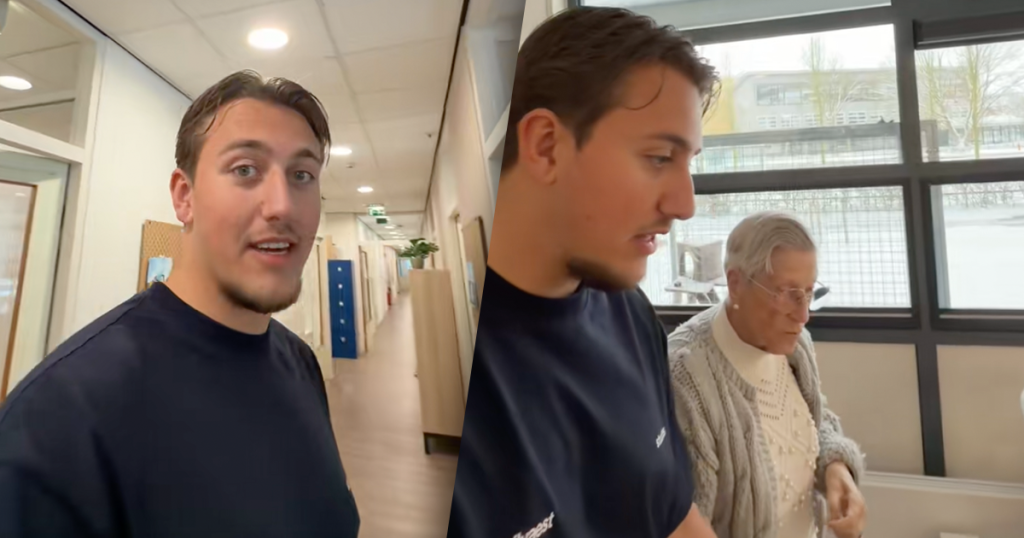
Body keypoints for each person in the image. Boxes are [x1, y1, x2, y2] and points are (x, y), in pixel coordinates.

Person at [0, 71, 360, 537]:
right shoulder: (59, 415)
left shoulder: (301, 363)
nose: (283, 206)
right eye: (245, 169)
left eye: (302, 175)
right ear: (184, 197)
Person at [448, 7, 720, 538]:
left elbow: (673, 515)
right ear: (546, 146)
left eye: (689, 162)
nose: (685, 204)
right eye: (659, 157)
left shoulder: (632, 315)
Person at [667, 211, 867, 538]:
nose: (803, 314)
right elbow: (683, 520)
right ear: (735, 284)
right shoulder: (686, 376)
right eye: (787, 293)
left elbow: (812, 420)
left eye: (809, 293)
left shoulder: (795, 344)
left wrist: (836, 467)